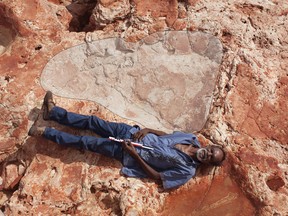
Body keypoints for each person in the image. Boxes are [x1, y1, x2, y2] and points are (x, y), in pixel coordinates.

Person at [28, 91, 226, 189]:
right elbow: (167, 136)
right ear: (209, 146)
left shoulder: (187, 172)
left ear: (208, 163)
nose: (207, 154)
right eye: (210, 151)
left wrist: (134, 155)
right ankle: (54, 113)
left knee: (86, 143)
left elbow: (158, 177)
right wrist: (148, 129)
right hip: (131, 132)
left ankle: (45, 133)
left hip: (127, 151)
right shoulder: (191, 138)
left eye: (210, 158)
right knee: (92, 122)